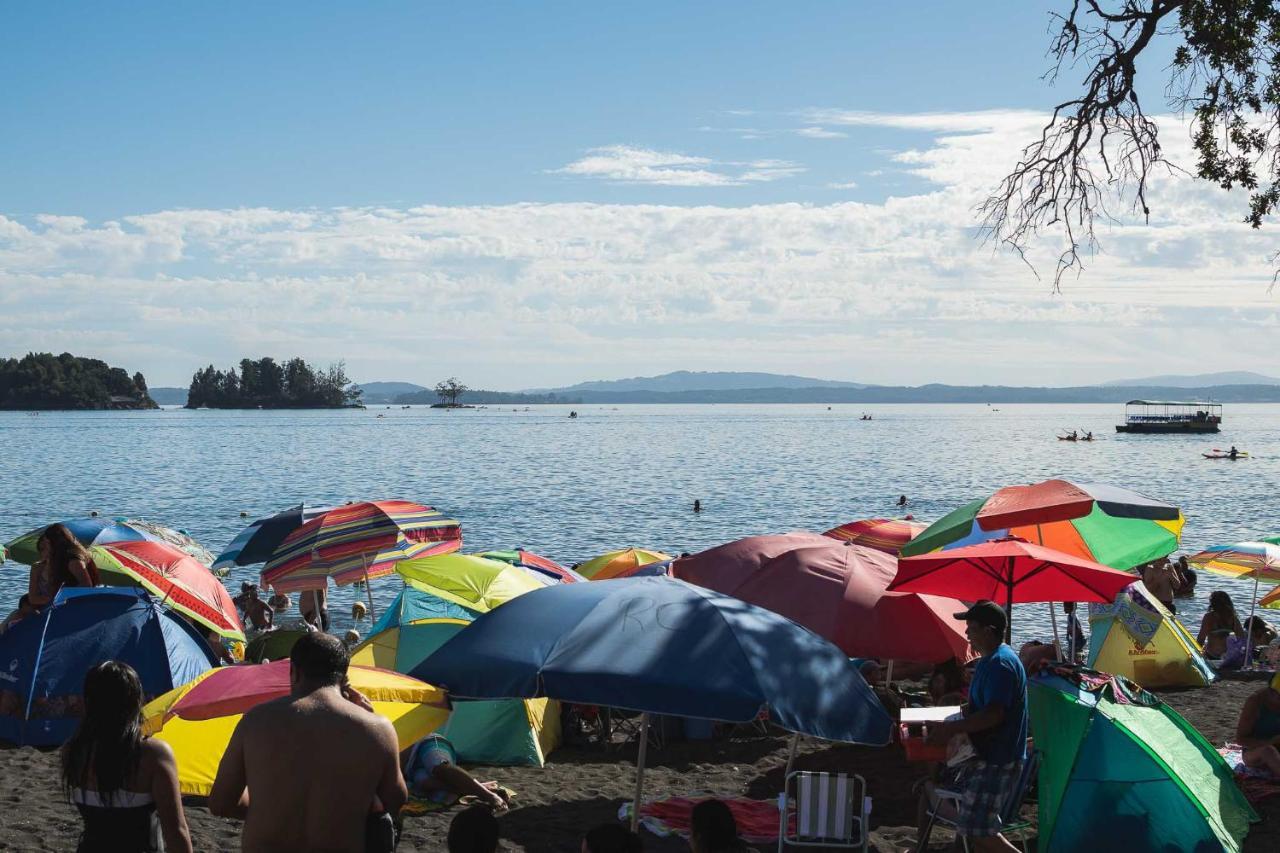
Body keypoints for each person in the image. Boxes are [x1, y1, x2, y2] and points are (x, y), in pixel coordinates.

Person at [209, 632, 408, 852]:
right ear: (343, 678)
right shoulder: (377, 728)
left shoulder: (256, 720)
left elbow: (221, 803)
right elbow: (395, 798)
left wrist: (271, 807)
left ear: (293, 672)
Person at [922, 601, 1027, 853]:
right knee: (965, 821)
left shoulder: (1001, 664)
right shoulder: (987, 661)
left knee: (975, 830)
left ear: (989, 631)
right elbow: (976, 707)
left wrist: (951, 730)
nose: (967, 632)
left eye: (972, 627)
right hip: (984, 755)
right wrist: (950, 717)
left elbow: (994, 714)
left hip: (997, 758)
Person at [61, 661, 193, 853]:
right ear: (135, 700)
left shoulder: (73, 751)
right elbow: (176, 831)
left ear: (89, 701)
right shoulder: (153, 755)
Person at [3, 523, 96, 631]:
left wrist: (60, 598)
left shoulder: (73, 562)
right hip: (44, 607)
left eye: (47, 544)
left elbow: (87, 588)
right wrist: (50, 600)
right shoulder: (38, 567)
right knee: (15, 616)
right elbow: (33, 598)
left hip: (67, 607)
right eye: (41, 548)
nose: (44, 550)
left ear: (56, 544)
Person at [402, 734, 509, 811]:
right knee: (424, 782)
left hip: (424, 744)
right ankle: (479, 789)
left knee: (439, 767)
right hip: (412, 770)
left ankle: (489, 796)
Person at [1236, 673, 1280, 776]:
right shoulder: (1255, 702)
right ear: (1271, 692)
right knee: (1268, 751)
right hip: (1255, 752)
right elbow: (1241, 739)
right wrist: (1270, 742)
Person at [1198, 591, 1246, 659]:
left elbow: (1201, 639)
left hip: (1212, 655)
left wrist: (1197, 654)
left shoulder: (1209, 617)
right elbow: (1241, 639)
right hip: (1228, 657)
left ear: (1213, 603)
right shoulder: (1233, 619)